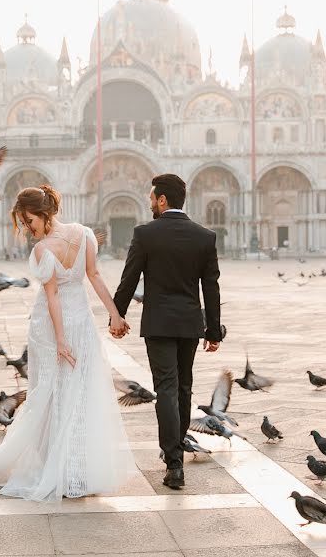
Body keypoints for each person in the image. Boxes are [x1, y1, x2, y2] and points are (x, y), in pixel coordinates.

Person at [0, 184, 137, 501]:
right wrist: (114, 315)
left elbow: (52, 297)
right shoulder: (85, 234)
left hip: (55, 327)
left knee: (56, 393)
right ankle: (73, 469)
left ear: (42, 213)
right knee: (69, 392)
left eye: (28, 221)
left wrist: (62, 339)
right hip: (79, 321)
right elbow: (95, 276)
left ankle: (65, 468)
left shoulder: (43, 249)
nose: (28, 229)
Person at [111, 173, 222, 490]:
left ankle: (174, 463)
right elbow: (210, 289)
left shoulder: (146, 234)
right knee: (184, 387)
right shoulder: (204, 237)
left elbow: (129, 280)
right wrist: (213, 331)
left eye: (151, 198)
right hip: (189, 324)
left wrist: (116, 316)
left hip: (158, 324)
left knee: (167, 389)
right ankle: (175, 452)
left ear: (162, 200)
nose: (149, 202)